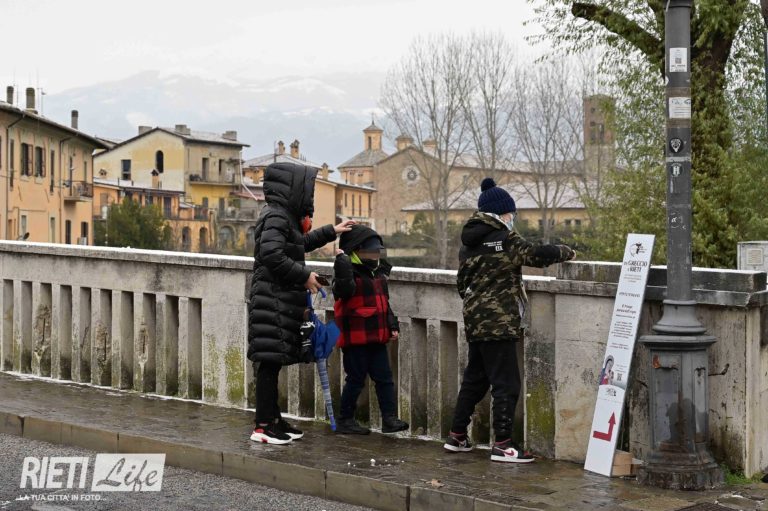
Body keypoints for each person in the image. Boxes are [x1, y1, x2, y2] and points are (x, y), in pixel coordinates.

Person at [444, 178, 575, 463]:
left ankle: (457, 436)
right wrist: (567, 251)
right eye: (511, 213)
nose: (512, 217)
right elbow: (536, 254)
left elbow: (461, 284)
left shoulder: (469, 243)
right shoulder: (504, 238)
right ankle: (503, 445)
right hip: (499, 322)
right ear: (502, 213)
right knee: (507, 384)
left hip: (475, 321)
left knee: (475, 380)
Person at [247, 162, 354, 445]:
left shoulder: (282, 215)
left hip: (277, 299)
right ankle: (263, 426)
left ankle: (273, 419)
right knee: (268, 363)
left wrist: (332, 230)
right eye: (306, 188)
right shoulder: (275, 216)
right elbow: (272, 255)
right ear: (292, 188)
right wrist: (304, 276)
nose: (309, 194)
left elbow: (298, 244)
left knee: (273, 362)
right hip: (271, 299)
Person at [331, 224, 409, 435]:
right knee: (355, 379)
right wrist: (342, 263)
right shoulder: (347, 272)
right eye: (371, 251)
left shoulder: (378, 274)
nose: (375, 256)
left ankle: (389, 419)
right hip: (355, 339)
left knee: (385, 378)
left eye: (377, 251)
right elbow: (342, 290)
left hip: (377, 337)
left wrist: (392, 325)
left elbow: (385, 303)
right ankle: (345, 419)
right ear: (356, 251)